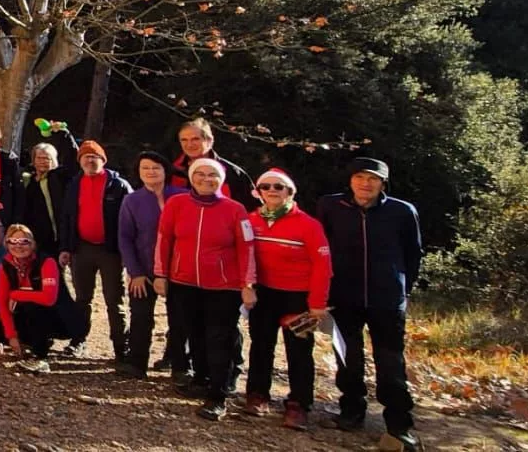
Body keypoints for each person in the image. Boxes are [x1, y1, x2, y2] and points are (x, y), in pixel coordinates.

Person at [317, 158, 421, 450]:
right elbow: (321, 247)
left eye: (373, 179)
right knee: (348, 360)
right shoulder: (330, 206)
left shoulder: (402, 211)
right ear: (350, 180)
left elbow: (413, 254)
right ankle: (351, 413)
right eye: (360, 177)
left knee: (391, 364)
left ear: (383, 183)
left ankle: (399, 425)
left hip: (387, 300)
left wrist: (403, 291)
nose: (366, 183)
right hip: (343, 296)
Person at [154, 157, 257, 421]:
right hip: (184, 282)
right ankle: (200, 378)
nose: (206, 179)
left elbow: (247, 248)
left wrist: (248, 283)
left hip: (223, 286)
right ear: (191, 177)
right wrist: (161, 274)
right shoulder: (176, 204)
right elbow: (164, 239)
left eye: (212, 175)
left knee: (219, 338)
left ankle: (217, 395)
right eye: (199, 174)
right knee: (194, 333)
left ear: (221, 179)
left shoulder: (235, 210)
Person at [246, 168, 332, 430]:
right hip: (264, 293)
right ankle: (257, 396)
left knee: (299, 351)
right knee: (261, 345)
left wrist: (317, 303)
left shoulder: (308, 224)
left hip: (298, 298)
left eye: (278, 187)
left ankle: (298, 405)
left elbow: (323, 265)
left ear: (290, 192)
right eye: (266, 187)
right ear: (258, 192)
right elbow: (243, 256)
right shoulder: (251, 220)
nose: (272, 191)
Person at [58, 139, 133, 360]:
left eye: (94, 157)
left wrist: (126, 253)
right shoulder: (75, 184)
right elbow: (67, 218)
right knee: (82, 299)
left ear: (103, 159)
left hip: (110, 251)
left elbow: (129, 222)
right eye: (85, 157)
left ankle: (121, 348)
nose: (90, 160)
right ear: (80, 161)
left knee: (114, 300)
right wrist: (65, 247)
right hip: (81, 249)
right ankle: (78, 340)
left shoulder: (118, 185)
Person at [116, 151, 185, 378]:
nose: (151, 172)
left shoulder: (182, 197)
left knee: (180, 319)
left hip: (179, 270)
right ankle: (136, 363)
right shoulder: (132, 200)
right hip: (143, 269)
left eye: (156, 167)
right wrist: (134, 271)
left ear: (165, 170)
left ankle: (179, 365)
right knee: (141, 317)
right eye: (145, 168)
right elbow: (125, 237)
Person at [0, 223, 81, 374]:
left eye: (24, 242)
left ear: (32, 243)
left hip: (60, 317)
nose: (18, 246)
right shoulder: (6, 265)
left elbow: (48, 298)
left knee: (33, 306)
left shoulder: (47, 262)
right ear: (6, 244)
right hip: (32, 312)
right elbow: (1, 301)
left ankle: (40, 356)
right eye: (13, 242)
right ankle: (27, 344)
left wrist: (15, 294)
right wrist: (12, 336)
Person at [170, 117, 255, 210]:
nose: (189, 144)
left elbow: (252, 209)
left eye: (195, 139)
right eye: (184, 140)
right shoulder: (171, 170)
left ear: (210, 141)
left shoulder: (232, 172)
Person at [21, 123, 78, 251]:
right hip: (35, 237)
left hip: (59, 235)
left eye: (47, 158)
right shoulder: (28, 180)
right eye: (39, 158)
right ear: (33, 160)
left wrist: (64, 134)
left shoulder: (60, 177)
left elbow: (73, 159)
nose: (42, 161)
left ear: (54, 161)